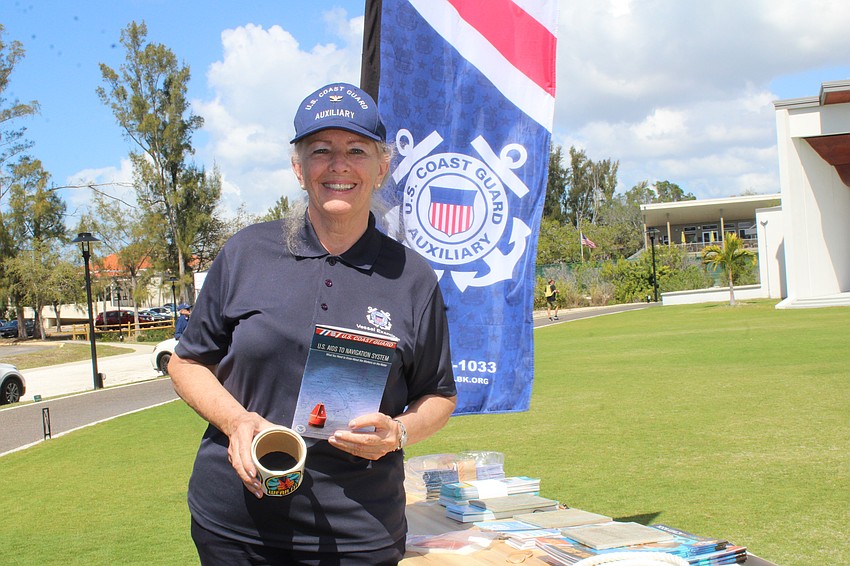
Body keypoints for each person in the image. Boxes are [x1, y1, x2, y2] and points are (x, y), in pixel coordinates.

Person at [168, 82, 457, 565]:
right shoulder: (245, 254)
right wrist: (236, 421)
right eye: (320, 150)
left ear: (381, 167)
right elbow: (187, 362)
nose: (338, 165)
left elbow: (439, 395)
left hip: (359, 531)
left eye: (356, 150)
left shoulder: (412, 277)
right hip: (236, 526)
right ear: (299, 169)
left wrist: (400, 433)